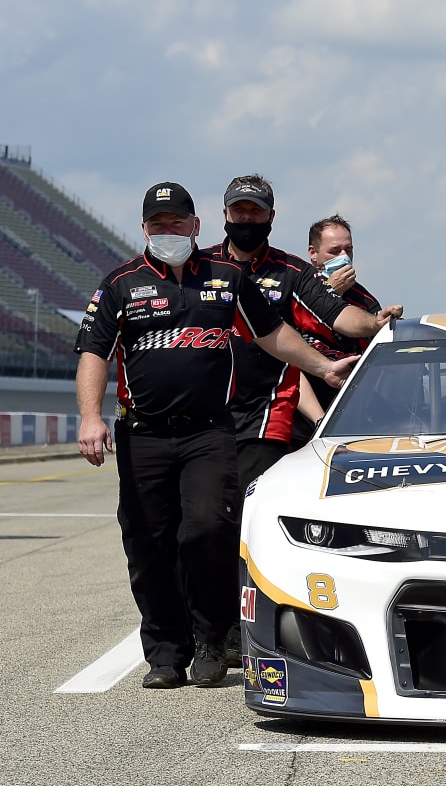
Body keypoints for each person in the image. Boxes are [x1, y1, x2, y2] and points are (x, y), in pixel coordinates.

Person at [75, 182, 360, 689]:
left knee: (208, 532)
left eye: (176, 223)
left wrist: (322, 366)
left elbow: (273, 333)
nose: (168, 231)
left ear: (195, 226)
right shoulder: (121, 283)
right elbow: (94, 351)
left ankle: (212, 641)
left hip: (209, 432)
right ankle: (165, 653)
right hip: (142, 435)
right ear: (145, 229)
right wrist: (89, 417)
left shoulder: (226, 279)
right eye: (158, 224)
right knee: (148, 544)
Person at [204, 174, 403, 665]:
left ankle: (236, 629)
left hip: (268, 414)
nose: (247, 219)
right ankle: (205, 626)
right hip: (203, 415)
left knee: (244, 523)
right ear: (225, 214)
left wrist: (375, 322)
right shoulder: (201, 266)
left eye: (256, 211)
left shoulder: (292, 273)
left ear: (270, 216)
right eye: (239, 211)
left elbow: (341, 317)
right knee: (202, 526)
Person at [290, 214, 383, 449]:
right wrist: (329, 294)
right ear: (313, 253)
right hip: (296, 411)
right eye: (334, 251)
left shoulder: (365, 301)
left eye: (348, 250)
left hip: (348, 412)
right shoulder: (295, 288)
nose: (343, 257)